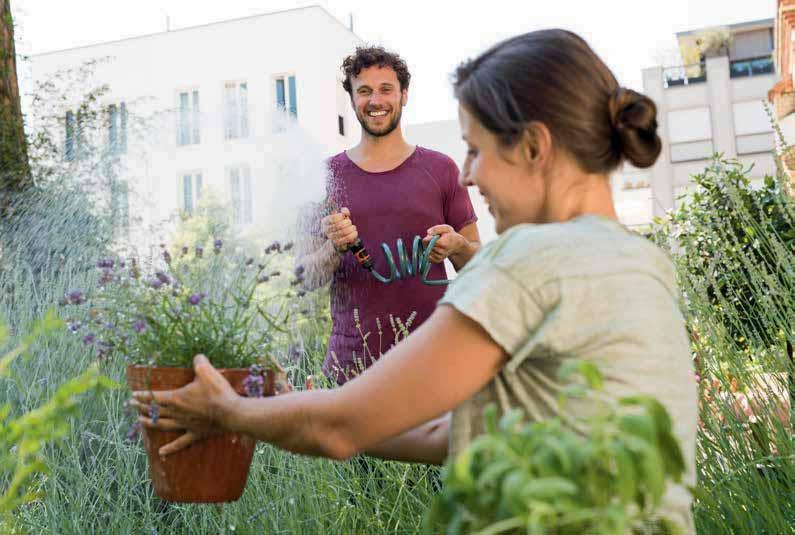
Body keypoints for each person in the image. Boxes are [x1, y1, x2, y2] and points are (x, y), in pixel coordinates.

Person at [134, 29, 697, 531]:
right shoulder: (642, 263)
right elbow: (442, 435)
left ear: (533, 146)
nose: (471, 174)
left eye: (477, 149)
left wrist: (227, 412)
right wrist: (300, 402)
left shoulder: (530, 257)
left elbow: (340, 430)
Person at [296, 45, 481, 385]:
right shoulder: (323, 179)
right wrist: (333, 248)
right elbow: (302, 278)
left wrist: (456, 246)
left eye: (386, 89)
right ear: (351, 100)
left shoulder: (441, 169)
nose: (375, 100)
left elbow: (481, 270)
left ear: (404, 95)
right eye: (363, 91)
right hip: (350, 370)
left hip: (432, 364)